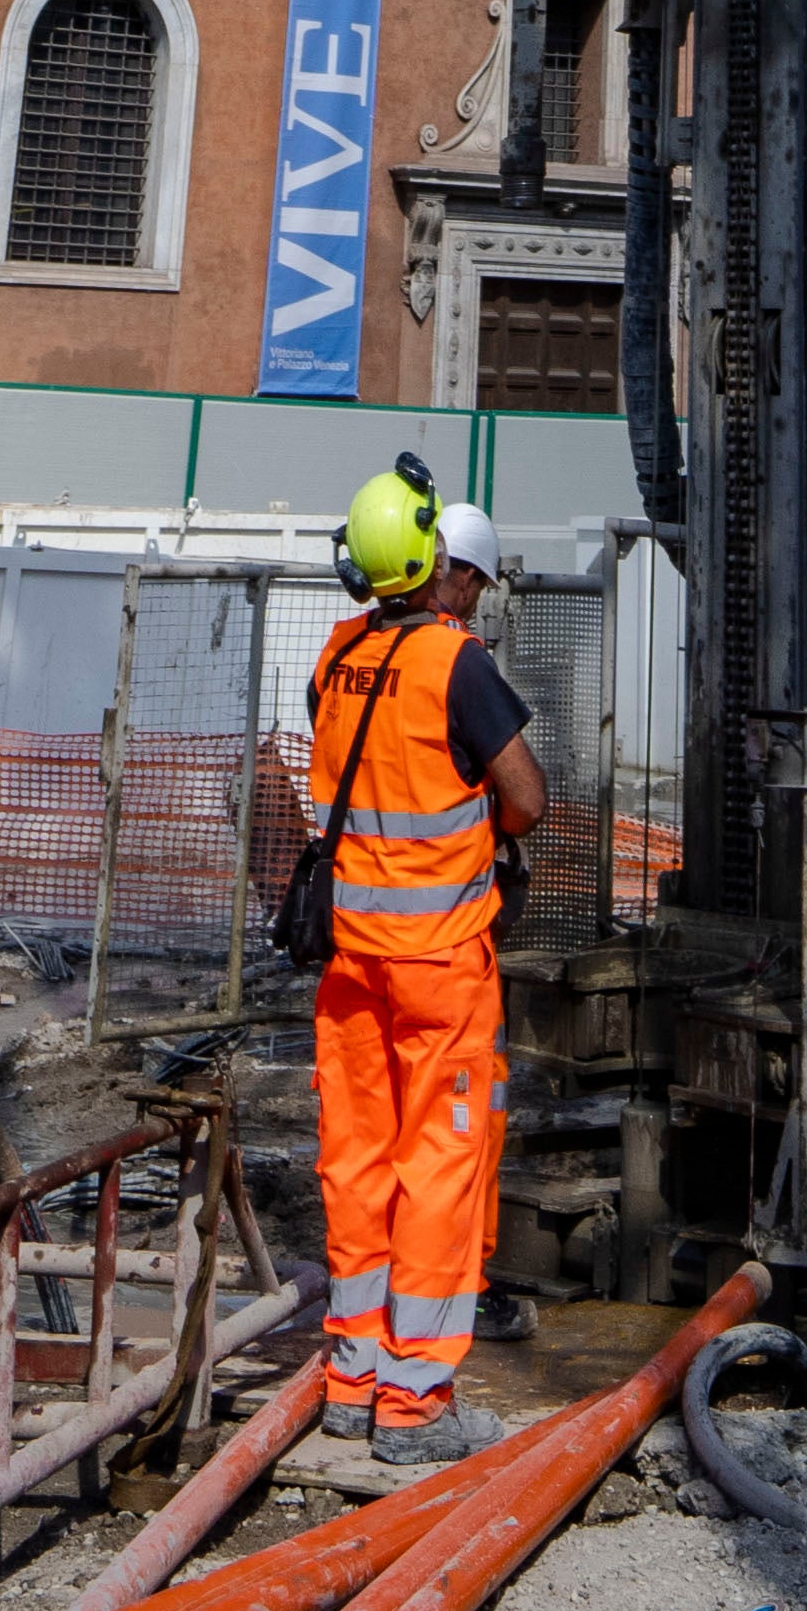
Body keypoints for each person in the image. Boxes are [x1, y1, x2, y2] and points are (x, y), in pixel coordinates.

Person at [257, 468, 546, 1457]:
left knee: (358, 1162)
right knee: (439, 1169)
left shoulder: (336, 657)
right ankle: (417, 1404)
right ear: (433, 563)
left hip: (351, 965)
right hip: (437, 968)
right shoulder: (454, 662)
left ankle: (353, 1379)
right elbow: (528, 799)